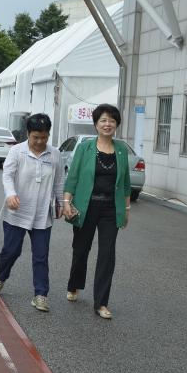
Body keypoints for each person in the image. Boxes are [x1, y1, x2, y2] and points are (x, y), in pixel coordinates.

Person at [62, 104, 131, 320]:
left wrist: (126, 208)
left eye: (111, 120)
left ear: (116, 124)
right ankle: (74, 285)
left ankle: (101, 302)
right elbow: (72, 176)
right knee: (81, 250)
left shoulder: (121, 149)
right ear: (96, 124)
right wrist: (66, 201)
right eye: (103, 120)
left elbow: (126, 182)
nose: (107, 124)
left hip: (111, 208)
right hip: (87, 206)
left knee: (107, 255)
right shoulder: (85, 148)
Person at [0, 113, 65, 312]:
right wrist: (11, 194)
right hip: (17, 211)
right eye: (36, 137)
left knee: (41, 256)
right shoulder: (17, 151)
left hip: (42, 213)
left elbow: (59, 181)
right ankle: (1, 276)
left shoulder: (55, 154)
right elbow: (7, 175)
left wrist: (61, 202)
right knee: (11, 251)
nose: (40, 142)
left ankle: (41, 295)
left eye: (44, 137)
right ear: (28, 134)